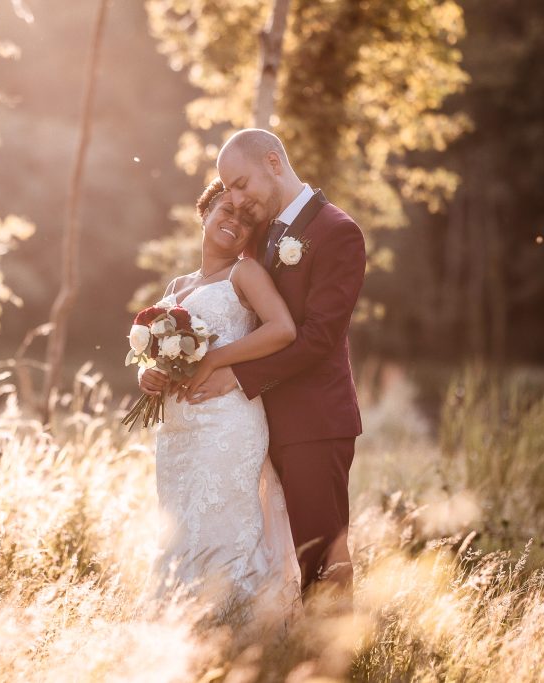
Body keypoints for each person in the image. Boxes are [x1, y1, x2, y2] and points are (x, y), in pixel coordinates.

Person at [142, 128, 366, 600]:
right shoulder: (259, 233)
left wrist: (234, 374)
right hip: (253, 424)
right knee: (266, 545)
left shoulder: (336, 231)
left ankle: (335, 661)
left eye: (240, 183)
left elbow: (319, 338)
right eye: (228, 189)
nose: (235, 197)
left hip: (313, 419)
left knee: (321, 554)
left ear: (273, 162)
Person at [141, 178, 301, 627]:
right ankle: (182, 627)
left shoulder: (245, 273)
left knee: (221, 524)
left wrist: (213, 360)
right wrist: (148, 374)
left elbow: (282, 329)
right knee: (180, 528)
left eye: (247, 219)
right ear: (205, 213)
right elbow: (151, 355)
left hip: (227, 425)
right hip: (177, 434)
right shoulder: (178, 283)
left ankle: (239, 629)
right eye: (226, 211)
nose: (234, 222)